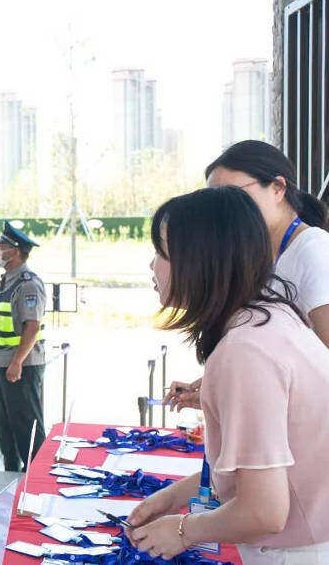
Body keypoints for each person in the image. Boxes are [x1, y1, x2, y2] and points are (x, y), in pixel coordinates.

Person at [129, 186, 329, 563]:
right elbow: (268, 468)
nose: (152, 267)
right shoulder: (269, 320)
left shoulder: (245, 351)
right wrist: (174, 496)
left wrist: (183, 530)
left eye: (161, 252)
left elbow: (264, 511)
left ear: (200, 261)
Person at [165, 140, 329, 411]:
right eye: (216, 203)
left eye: (235, 196)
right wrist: (220, 384)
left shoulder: (313, 251)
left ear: (278, 188)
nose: (222, 213)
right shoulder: (267, 255)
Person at [0, 221, 46, 471]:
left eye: (3, 245)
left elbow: (32, 326)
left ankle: (35, 476)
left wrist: (17, 362)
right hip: (4, 364)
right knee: (5, 424)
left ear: (16, 251)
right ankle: (9, 474)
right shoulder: (5, 281)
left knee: (26, 424)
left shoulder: (27, 283)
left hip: (21, 367)